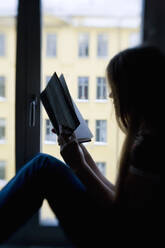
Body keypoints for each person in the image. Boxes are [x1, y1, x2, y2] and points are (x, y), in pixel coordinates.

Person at [0, 45, 162, 247]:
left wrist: (79, 166)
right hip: (117, 234)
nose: (111, 96)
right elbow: (118, 197)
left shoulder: (150, 149)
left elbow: (120, 217)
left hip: (114, 240)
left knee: (43, 168)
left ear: (134, 93)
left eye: (116, 89)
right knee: (43, 167)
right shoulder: (151, 140)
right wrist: (80, 155)